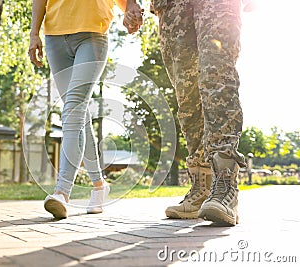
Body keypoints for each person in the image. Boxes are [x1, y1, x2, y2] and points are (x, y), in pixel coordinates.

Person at [124, 0, 253, 226]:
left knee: (216, 76)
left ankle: (225, 186)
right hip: (171, 6)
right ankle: (202, 185)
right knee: (186, 95)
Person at [29, 0, 143, 219]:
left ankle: (61, 192)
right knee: (79, 114)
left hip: (92, 34)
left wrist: (132, 9)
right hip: (54, 36)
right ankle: (100, 186)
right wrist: (34, 33)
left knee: (73, 109)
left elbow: (128, 2)